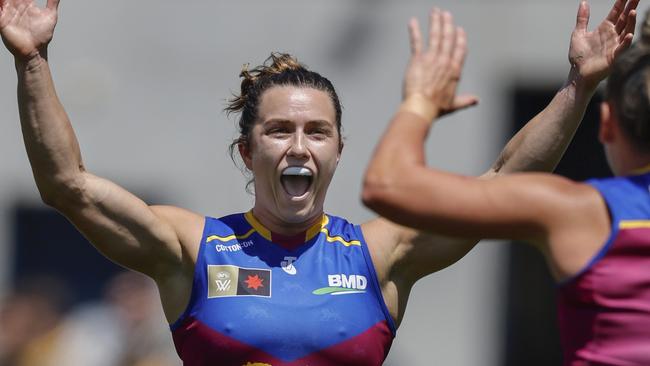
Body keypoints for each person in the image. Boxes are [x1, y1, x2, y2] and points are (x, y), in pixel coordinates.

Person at [0, 0, 637, 364]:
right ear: (247, 151)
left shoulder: (380, 253)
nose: (299, 146)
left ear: (338, 151)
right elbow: (69, 186)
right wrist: (32, 59)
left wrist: (579, 87)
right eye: (279, 131)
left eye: (317, 132)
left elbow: (500, 182)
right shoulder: (191, 247)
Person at [363, 4, 649, 366]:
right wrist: (580, 83)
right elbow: (502, 175)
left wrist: (419, 102)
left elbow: (386, 186)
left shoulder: (583, 211)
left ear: (606, 124)